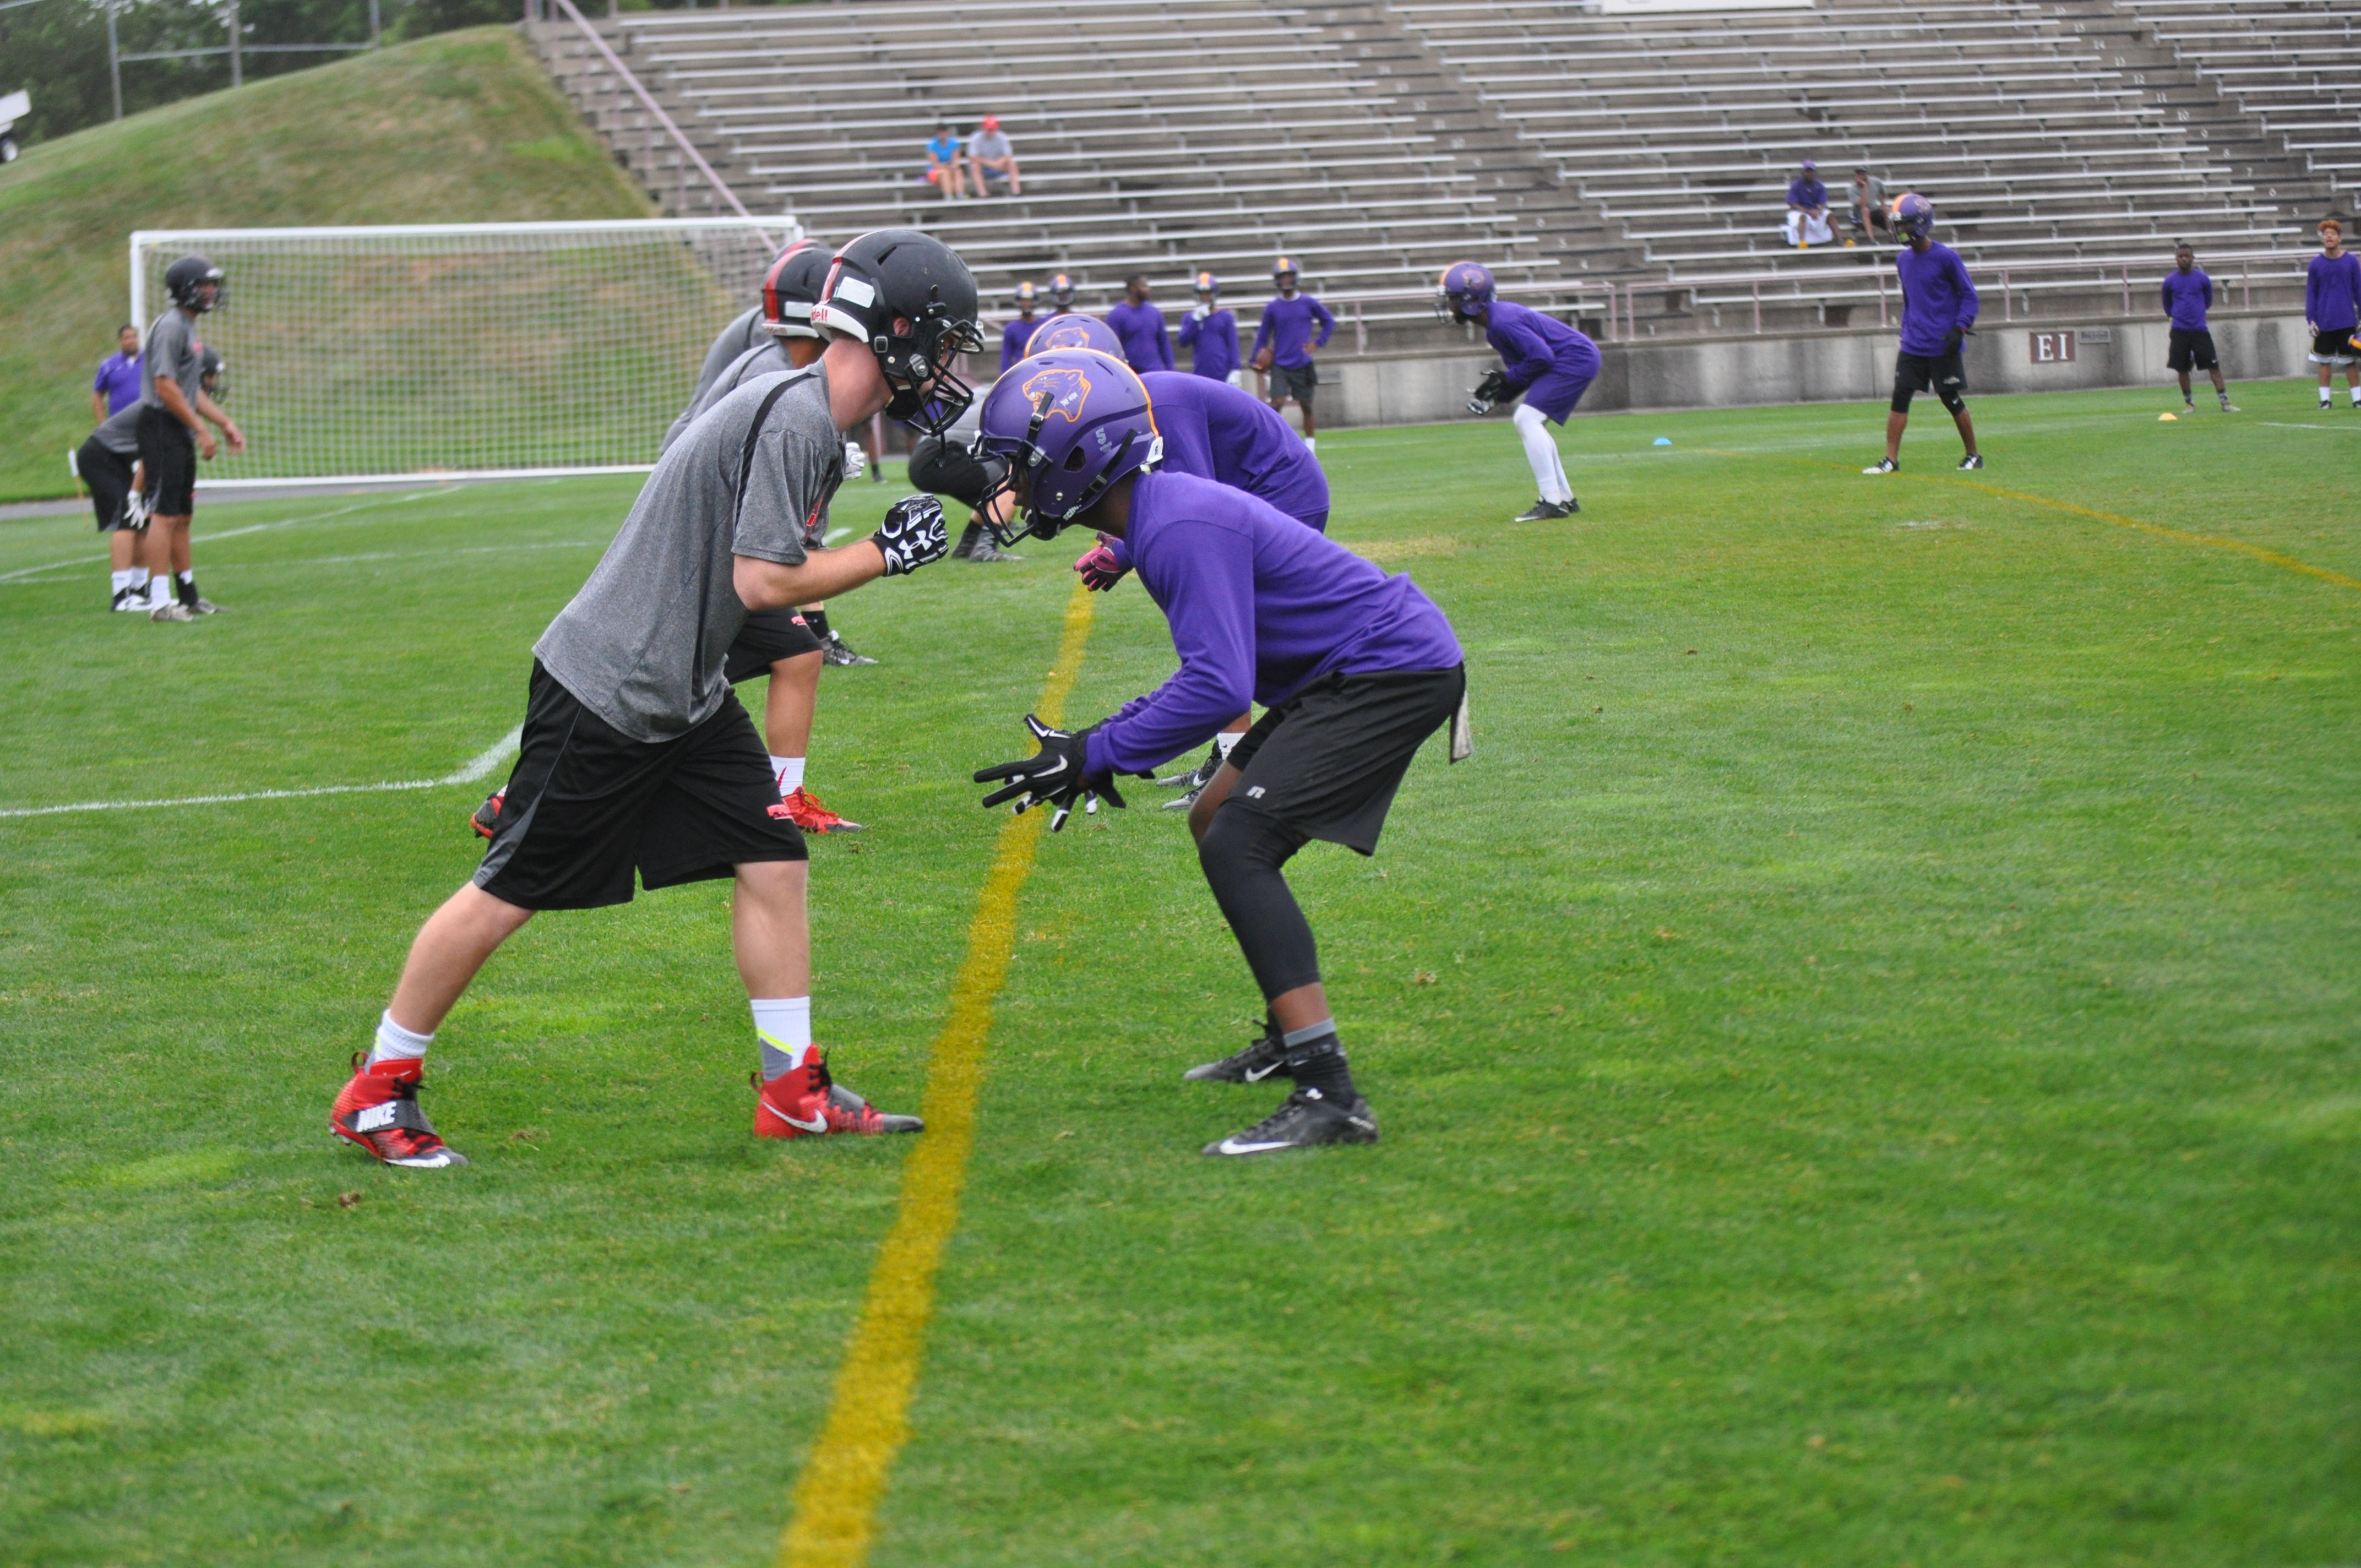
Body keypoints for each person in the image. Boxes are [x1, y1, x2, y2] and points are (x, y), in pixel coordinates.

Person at [330, 229, 977, 1171]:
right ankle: (377, 1089)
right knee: (509, 890)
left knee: (771, 855)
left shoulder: (805, 413)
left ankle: (791, 1089)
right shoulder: (799, 418)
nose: (952, 367)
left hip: (681, 685)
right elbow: (761, 582)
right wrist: (886, 552)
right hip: (617, 686)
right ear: (900, 335)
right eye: (947, 344)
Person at [972, 349, 1467, 1156]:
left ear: (1074, 461)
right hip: (1357, 665)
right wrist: (1094, 745)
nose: (1012, 490)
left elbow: (1216, 685)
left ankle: (1329, 1092)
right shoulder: (1159, 516)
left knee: (1239, 843)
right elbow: (1209, 674)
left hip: (1389, 669)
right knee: (1214, 817)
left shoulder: (1174, 526)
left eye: (1023, 469)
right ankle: (1290, 1035)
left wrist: (1096, 751)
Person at [1054, 367, 1334, 803]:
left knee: (1222, 633)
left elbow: (1194, 503)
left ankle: (1239, 761)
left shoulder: (1160, 402)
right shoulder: (1141, 401)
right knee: (1225, 634)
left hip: (1284, 497)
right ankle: (1234, 755)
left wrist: (1125, 552)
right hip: (1254, 496)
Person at [668, 239, 869, 833]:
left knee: (798, 652)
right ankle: (516, 795)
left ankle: (785, 797)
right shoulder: (777, 373)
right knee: (662, 688)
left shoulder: (779, 363)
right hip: (706, 544)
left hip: (723, 537)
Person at [1438, 261, 1599, 522]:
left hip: (1574, 358)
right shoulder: (1496, 325)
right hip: (1573, 357)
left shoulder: (1502, 323)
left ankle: (1552, 501)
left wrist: (1506, 379)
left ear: (1472, 300)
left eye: (1453, 299)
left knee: (1527, 419)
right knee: (1530, 419)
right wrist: (1500, 394)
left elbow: (1542, 358)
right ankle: (1564, 498)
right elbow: (1529, 369)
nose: (1449, 305)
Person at [137, 255, 245, 623]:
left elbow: (189, 390)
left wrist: (223, 423)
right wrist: (200, 429)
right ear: (185, 289)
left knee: (182, 517)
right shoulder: (171, 327)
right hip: (162, 426)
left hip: (177, 427)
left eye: (213, 284)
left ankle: (188, 595)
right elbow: (165, 387)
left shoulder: (188, 326)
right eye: (205, 284)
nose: (212, 291)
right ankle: (159, 603)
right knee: (164, 516)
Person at [1864, 193, 1981, 474]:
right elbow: (1910, 299)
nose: (1900, 230)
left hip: (1943, 343)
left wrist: (1960, 327)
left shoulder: (1946, 257)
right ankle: (1891, 460)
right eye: (1899, 225)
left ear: (1921, 224)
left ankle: (1974, 455)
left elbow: (1970, 296)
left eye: (1904, 224)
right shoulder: (1903, 261)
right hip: (1914, 343)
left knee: (1950, 399)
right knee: (1900, 396)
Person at [1250, 256, 1334, 449]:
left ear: (1295, 278)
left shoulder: (1308, 303)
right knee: (1277, 402)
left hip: (1302, 362)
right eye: (1283, 277)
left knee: (1306, 405)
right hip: (1280, 362)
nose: (1286, 281)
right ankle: (1270, 443)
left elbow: (1329, 321)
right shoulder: (1273, 308)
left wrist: (1317, 343)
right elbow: (1263, 334)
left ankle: (1311, 446)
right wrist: (1254, 358)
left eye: (1289, 277)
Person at [80, 399, 151, 612]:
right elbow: (151, 458)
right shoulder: (164, 405)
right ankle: (121, 596)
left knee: (142, 521)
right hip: (98, 456)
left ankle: (139, 592)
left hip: (116, 459)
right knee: (127, 519)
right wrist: (135, 496)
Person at [2162, 243, 2237, 415]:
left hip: (2199, 329)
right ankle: (2190, 404)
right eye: (2181, 256)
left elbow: (2208, 300)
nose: (2184, 259)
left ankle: (2225, 402)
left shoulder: (2202, 279)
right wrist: (2174, 317)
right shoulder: (2170, 282)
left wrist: (2198, 314)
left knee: (2213, 365)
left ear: (2193, 258)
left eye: (2187, 256)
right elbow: (2167, 305)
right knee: (2182, 368)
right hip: (2180, 330)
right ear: (2176, 259)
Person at [2305, 218, 2361, 410]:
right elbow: (2311, 294)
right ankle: (2325, 400)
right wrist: (2311, 319)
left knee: (2350, 362)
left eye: (2333, 234)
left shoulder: (2352, 262)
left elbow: (2359, 291)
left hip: (2346, 320)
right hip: (2324, 322)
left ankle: (2357, 399)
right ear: (2322, 239)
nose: (2329, 236)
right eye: (2325, 234)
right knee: (2324, 362)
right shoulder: (2315, 265)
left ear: (2340, 238)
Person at [1177, 271, 1239, 385]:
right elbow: (1183, 341)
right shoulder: (1190, 317)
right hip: (1201, 371)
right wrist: (1195, 321)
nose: (1205, 297)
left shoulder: (1225, 316)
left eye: (1208, 293)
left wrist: (1236, 369)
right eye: (1202, 294)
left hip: (1222, 370)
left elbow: (1233, 345)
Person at [1105, 274, 1174, 375]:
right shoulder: (1116, 315)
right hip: (1132, 374)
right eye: (1144, 286)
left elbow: (1164, 344)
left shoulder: (1154, 313)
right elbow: (1113, 348)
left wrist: (1170, 369)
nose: (1149, 290)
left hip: (1155, 372)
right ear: (1134, 289)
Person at [93, 323, 142, 422]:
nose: (131, 341)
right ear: (120, 341)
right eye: (127, 338)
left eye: (134, 337)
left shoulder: (150, 361)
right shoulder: (109, 366)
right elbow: (97, 395)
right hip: (119, 425)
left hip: (146, 424)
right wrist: (103, 424)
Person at [967, 114, 1020, 198]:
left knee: (1012, 164)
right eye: (989, 129)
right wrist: (991, 163)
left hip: (998, 165)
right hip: (984, 167)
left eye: (992, 129)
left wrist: (999, 163)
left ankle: (1016, 191)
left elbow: (1008, 155)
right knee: (975, 167)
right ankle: (983, 194)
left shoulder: (1002, 137)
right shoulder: (976, 138)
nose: (990, 131)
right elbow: (973, 157)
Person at [1784, 159, 1832, 248]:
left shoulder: (1819, 185)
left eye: (1811, 171)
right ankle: (1802, 242)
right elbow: (1793, 203)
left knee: (1830, 215)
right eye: (1807, 171)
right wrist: (1808, 211)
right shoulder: (1796, 185)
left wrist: (1819, 211)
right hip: (1798, 211)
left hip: (1814, 210)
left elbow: (1823, 202)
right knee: (1802, 217)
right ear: (1803, 172)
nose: (1809, 174)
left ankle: (1841, 240)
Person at [1000, 280, 1042, 373]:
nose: (1027, 304)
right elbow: (1006, 359)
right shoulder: (1011, 328)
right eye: (1024, 300)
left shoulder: (1043, 325)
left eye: (1029, 300)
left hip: (1042, 371)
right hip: (1021, 372)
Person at [1848, 167, 1889, 246]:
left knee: (1887, 210)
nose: (1861, 175)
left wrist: (1882, 204)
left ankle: (1894, 236)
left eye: (1863, 173)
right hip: (1858, 214)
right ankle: (1872, 240)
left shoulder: (1876, 182)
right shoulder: (1852, 189)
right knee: (1865, 210)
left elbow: (1883, 193)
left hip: (1873, 210)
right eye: (1859, 173)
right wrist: (1865, 187)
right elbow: (1862, 204)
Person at [924, 122, 964, 201]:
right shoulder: (932, 145)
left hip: (950, 168)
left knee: (958, 172)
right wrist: (947, 167)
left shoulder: (954, 143)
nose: (942, 134)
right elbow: (935, 164)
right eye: (940, 132)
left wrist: (953, 166)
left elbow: (956, 160)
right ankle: (948, 196)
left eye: (943, 132)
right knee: (945, 173)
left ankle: (960, 195)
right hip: (936, 171)